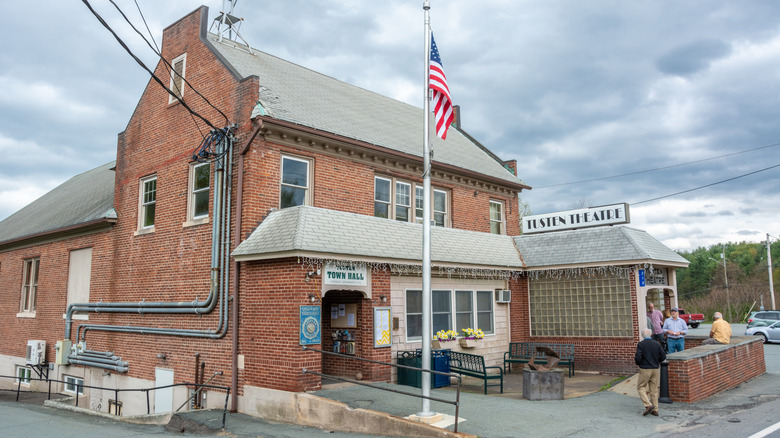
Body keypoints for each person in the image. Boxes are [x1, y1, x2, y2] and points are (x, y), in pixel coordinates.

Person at [635, 328, 666, 417]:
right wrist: (657, 361)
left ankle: (648, 405)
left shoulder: (641, 344)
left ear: (642, 335)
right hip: (656, 368)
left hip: (645, 368)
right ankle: (655, 409)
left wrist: (639, 363)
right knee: (654, 390)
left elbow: (638, 357)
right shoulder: (657, 344)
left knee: (641, 387)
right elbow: (663, 356)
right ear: (651, 335)